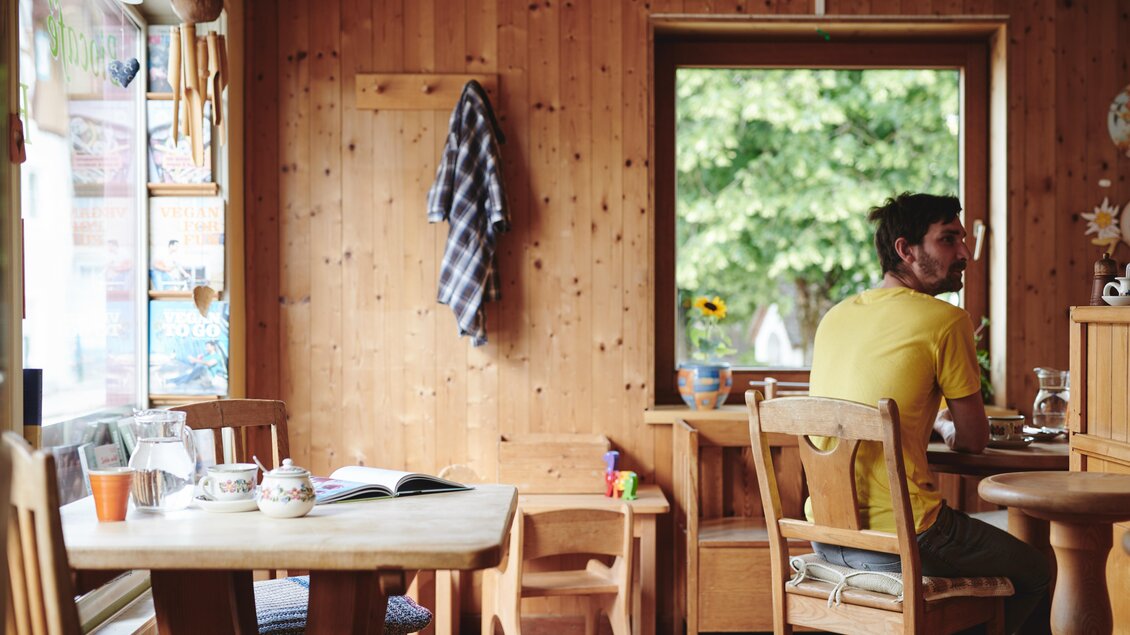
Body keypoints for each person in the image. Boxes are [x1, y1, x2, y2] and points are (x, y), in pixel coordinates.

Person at [806, 192, 1049, 634]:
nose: (963, 252)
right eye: (948, 239)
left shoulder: (835, 317)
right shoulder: (945, 321)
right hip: (904, 537)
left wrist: (932, 420)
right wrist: (943, 424)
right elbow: (974, 439)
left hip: (825, 531)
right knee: (1037, 573)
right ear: (906, 250)